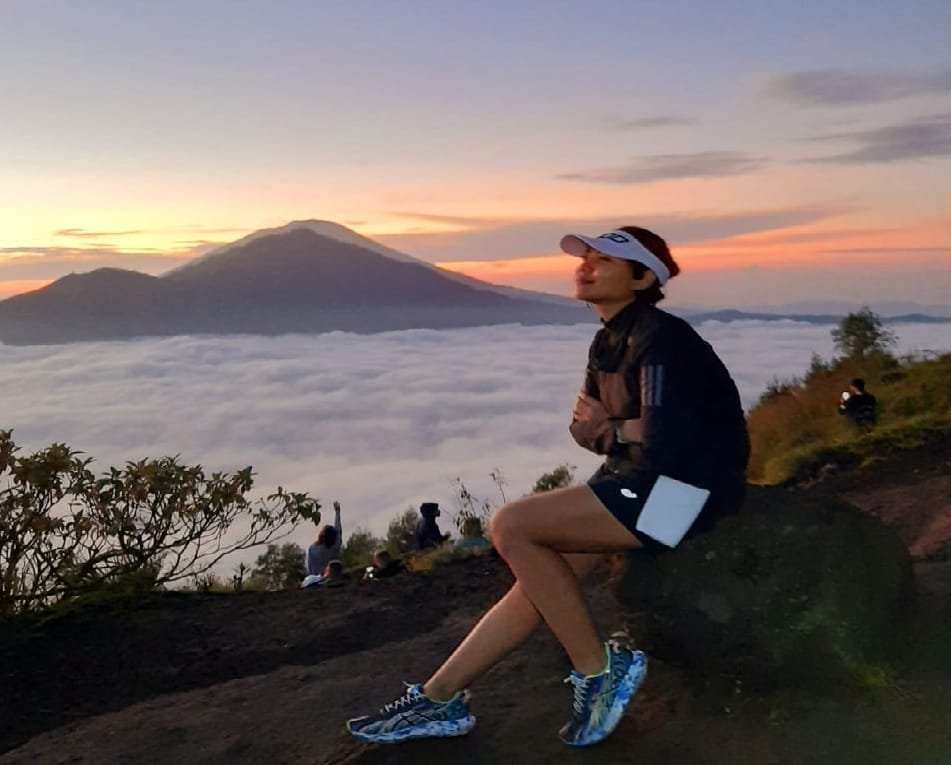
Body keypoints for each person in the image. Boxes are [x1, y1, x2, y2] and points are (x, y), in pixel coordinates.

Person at [346, 225, 749, 747]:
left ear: (642, 278)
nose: (586, 266)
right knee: (536, 587)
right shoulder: (607, 342)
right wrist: (613, 431)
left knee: (510, 525)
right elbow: (585, 430)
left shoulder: (661, 338)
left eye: (604, 260)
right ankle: (439, 697)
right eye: (586, 258)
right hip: (636, 479)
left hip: (683, 495)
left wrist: (612, 430)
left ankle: (598, 671)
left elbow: (663, 439)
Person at [306, 500, 342, 578]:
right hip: (333, 577)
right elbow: (338, 530)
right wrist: (337, 512)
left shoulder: (313, 549)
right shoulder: (335, 547)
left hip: (318, 579)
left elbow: (310, 568)